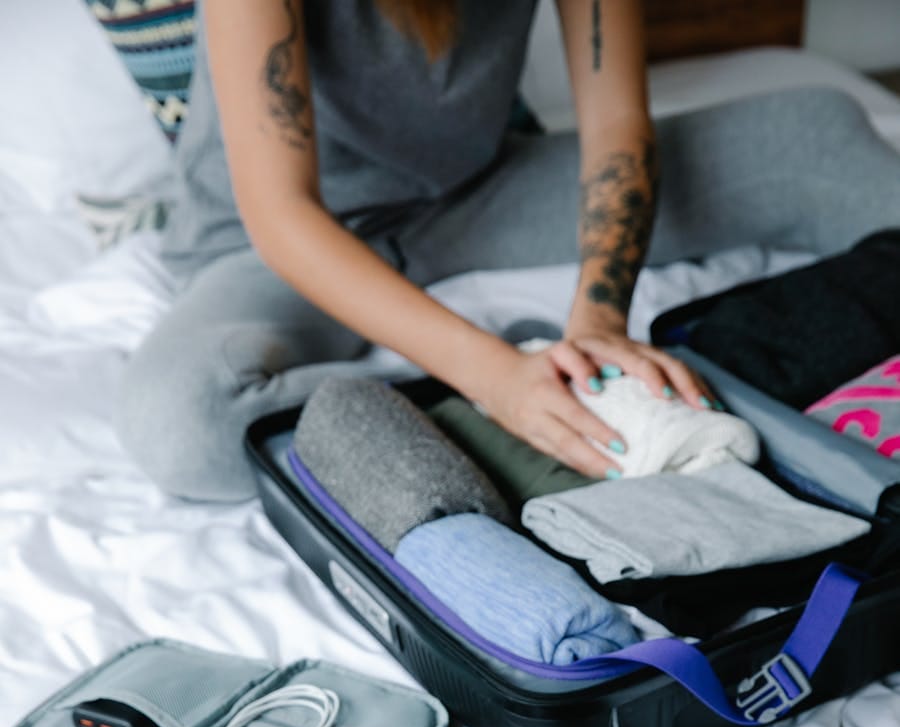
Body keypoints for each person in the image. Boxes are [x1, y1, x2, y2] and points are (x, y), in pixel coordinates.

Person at [117, 0, 900, 502]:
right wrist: (494, 374)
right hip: (280, 244)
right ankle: (506, 402)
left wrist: (598, 318)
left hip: (474, 196)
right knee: (184, 424)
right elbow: (284, 215)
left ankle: (543, 382)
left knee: (817, 134)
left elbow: (615, 125)